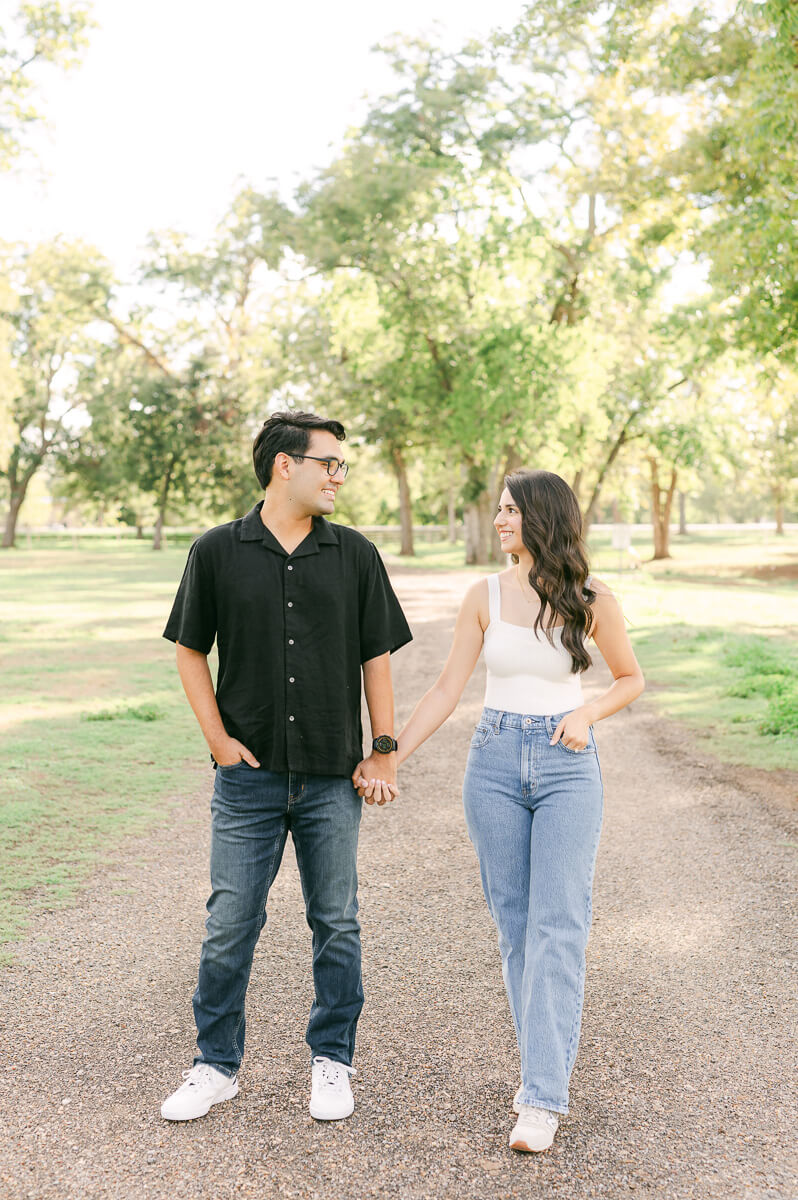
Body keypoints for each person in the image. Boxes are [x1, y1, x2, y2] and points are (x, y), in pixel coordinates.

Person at [160, 410, 411, 1124]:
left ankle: (332, 1062)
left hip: (334, 775)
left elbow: (377, 659)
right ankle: (215, 1067)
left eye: (342, 465)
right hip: (248, 776)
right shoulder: (215, 551)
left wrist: (383, 749)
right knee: (230, 922)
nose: (339, 476)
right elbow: (188, 648)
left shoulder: (357, 555)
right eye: (328, 462)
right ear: (284, 466)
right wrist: (218, 742)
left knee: (336, 920)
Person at [384, 469, 644, 1153]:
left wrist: (588, 712)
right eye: (497, 510)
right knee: (516, 927)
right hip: (493, 762)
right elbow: (446, 688)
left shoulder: (591, 598)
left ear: (541, 517)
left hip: (567, 764)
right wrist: (390, 755)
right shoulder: (483, 596)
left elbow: (630, 677)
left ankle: (540, 1098)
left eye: (508, 510)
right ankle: (543, 1072)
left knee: (559, 926)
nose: (499, 521)